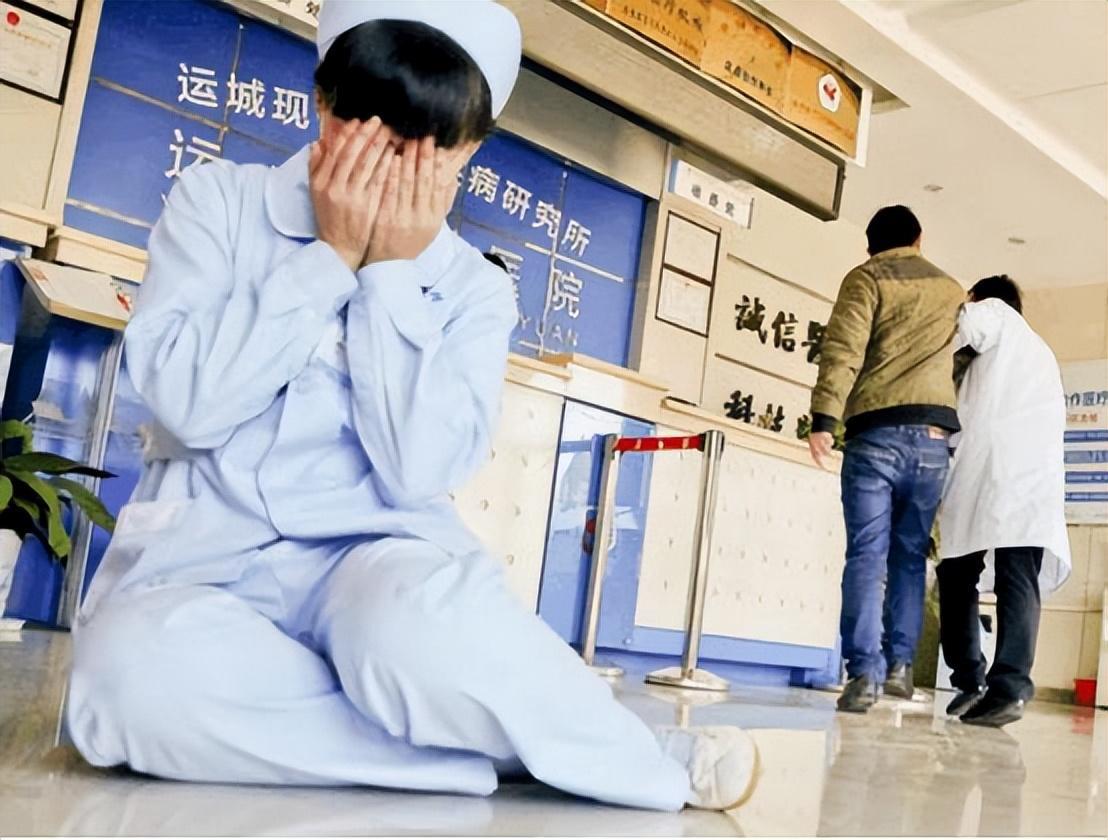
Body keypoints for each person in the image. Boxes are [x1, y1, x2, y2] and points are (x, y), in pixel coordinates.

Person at [65, 0, 758, 813]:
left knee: (417, 636)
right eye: (373, 130)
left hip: (377, 554)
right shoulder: (219, 202)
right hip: (205, 553)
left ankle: (639, 755)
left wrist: (388, 275)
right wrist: (329, 257)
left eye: (428, 147)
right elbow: (187, 408)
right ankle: (488, 754)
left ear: (468, 152)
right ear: (322, 103)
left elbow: (419, 470)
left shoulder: (472, 287)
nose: (394, 166)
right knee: (123, 684)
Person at [808, 205, 964, 713]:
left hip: (875, 436)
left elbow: (843, 349)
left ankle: (862, 676)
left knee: (866, 555)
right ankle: (900, 667)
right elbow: (963, 358)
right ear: (919, 239)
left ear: (870, 245)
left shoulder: (866, 278)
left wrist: (824, 419)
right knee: (910, 555)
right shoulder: (951, 289)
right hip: (933, 438)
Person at [937, 275, 1070, 727]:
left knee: (957, 572)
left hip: (991, 470)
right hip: (1030, 482)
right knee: (1018, 577)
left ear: (980, 298)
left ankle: (969, 680)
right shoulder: (1041, 350)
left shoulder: (993, 315)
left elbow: (959, 323)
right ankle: (1009, 688)